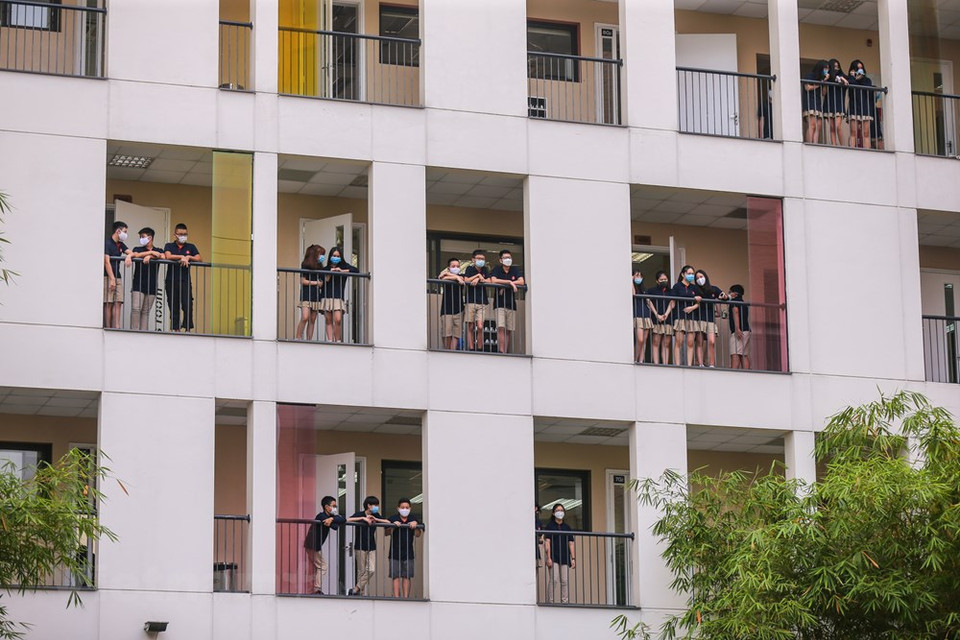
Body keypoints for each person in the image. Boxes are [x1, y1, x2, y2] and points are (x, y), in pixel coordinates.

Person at [346, 496, 392, 596]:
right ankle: (360, 592)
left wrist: (376, 519)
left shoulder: (376, 515)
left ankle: (355, 589)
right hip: (360, 546)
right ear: (369, 505)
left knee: (371, 569)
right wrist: (363, 518)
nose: (376, 507)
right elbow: (347, 520)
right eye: (375, 505)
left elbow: (388, 522)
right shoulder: (360, 514)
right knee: (361, 571)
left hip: (371, 546)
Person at [163, 223, 202, 332]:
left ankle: (188, 329)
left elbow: (199, 258)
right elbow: (168, 256)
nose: (183, 236)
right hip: (171, 280)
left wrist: (188, 257)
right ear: (175, 235)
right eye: (180, 234)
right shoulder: (169, 245)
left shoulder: (191, 247)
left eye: (185, 234)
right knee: (173, 305)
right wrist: (182, 257)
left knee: (187, 304)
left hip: (185, 280)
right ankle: (176, 329)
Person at [303, 495, 345, 595]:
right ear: (326, 507)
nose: (335, 508)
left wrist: (332, 519)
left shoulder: (329, 517)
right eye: (333, 506)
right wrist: (333, 520)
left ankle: (315, 588)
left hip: (314, 546)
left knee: (320, 566)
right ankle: (316, 589)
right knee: (322, 566)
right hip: (313, 545)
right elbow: (335, 526)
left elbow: (342, 520)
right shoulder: (321, 516)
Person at [487, 249, 525, 354]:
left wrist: (509, 284)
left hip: (511, 304)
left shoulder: (515, 269)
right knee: (500, 327)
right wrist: (509, 282)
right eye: (505, 258)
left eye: (509, 258)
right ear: (500, 260)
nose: (508, 260)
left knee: (508, 329)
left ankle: (505, 351)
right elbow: (493, 280)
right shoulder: (497, 269)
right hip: (499, 303)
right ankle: (501, 351)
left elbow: (521, 281)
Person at [319, 246, 358, 342]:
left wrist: (341, 271)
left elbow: (356, 270)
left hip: (338, 297)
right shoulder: (326, 268)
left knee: (338, 319)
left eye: (337, 256)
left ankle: (337, 340)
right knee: (328, 320)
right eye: (333, 255)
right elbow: (322, 279)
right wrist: (330, 272)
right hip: (326, 296)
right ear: (330, 256)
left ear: (341, 257)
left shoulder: (344, 266)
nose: (335, 257)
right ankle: (330, 340)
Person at [385, 498, 422, 599]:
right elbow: (386, 533)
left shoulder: (413, 518)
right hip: (394, 552)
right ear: (398, 508)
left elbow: (418, 534)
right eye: (402, 507)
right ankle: (397, 598)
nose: (405, 509)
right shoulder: (393, 518)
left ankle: (406, 598)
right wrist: (393, 526)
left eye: (407, 507)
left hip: (408, 552)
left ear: (410, 508)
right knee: (395, 576)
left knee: (407, 576)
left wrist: (416, 526)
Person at [129, 227, 164, 331]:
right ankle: (134, 331)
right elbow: (136, 255)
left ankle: (143, 332)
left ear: (150, 238)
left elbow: (162, 256)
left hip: (152, 285)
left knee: (145, 312)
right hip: (138, 284)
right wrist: (150, 253)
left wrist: (150, 256)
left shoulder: (159, 250)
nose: (141, 239)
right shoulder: (138, 248)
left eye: (143, 237)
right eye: (140, 237)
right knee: (136, 309)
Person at [542, 503, 575, 604]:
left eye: (561, 510)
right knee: (554, 580)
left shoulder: (567, 527)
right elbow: (547, 542)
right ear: (553, 513)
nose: (560, 512)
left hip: (565, 557)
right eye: (557, 510)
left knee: (564, 581)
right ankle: (550, 601)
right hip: (553, 556)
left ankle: (564, 602)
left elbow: (571, 543)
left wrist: (573, 558)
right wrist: (548, 558)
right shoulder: (550, 526)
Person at [693, 269, 726, 368]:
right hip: (699, 318)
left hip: (710, 319)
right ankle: (700, 363)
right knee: (699, 341)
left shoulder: (713, 289)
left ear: (705, 277)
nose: (700, 279)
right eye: (697, 278)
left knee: (711, 341)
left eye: (701, 277)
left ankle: (711, 364)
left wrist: (724, 296)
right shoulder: (695, 289)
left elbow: (723, 296)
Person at [671, 265, 701, 366]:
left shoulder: (694, 288)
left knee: (690, 343)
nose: (691, 275)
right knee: (679, 342)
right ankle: (678, 364)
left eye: (692, 274)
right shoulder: (677, 286)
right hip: (680, 316)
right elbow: (673, 301)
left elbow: (699, 303)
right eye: (689, 273)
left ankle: (689, 365)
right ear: (683, 274)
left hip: (692, 317)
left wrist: (692, 308)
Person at [103, 221, 131, 329]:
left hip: (118, 276)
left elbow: (131, 252)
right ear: (118, 231)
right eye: (124, 232)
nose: (125, 234)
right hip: (108, 277)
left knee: (118, 302)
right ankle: (108, 327)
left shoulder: (120, 244)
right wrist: (112, 279)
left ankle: (117, 327)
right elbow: (106, 261)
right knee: (109, 302)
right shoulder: (108, 243)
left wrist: (128, 256)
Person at [296, 244, 325, 340]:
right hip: (306, 294)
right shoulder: (305, 264)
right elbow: (302, 281)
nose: (322, 257)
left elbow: (323, 280)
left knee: (312, 319)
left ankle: (309, 340)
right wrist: (316, 283)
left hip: (316, 295)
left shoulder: (320, 266)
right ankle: (298, 337)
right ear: (314, 254)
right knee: (305, 317)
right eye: (320, 254)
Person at [462, 250, 490, 351]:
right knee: (470, 326)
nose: (481, 261)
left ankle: (479, 347)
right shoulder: (469, 268)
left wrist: (479, 279)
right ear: (473, 260)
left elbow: (489, 280)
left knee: (480, 326)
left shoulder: (485, 269)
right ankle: (471, 347)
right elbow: (466, 280)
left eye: (482, 259)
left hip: (482, 301)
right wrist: (477, 276)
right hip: (470, 301)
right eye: (478, 259)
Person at [437, 257, 465, 350]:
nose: (456, 268)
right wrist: (456, 277)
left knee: (457, 333)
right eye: (453, 266)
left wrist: (454, 276)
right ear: (448, 268)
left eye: (457, 266)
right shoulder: (454, 277)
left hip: (459, 309)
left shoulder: (462, 276)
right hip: (446, 309)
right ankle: (447, 350)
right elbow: (440, 277)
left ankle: (453, 352)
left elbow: (462, 279)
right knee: (446, 333)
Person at [647, 271, 674, 365]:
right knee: (655, 342)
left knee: (666, 344)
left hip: (668, 319)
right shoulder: (652, 290)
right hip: (656, 319)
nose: (664, 281)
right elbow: (648, 301)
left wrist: (666, 314)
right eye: (661, 279)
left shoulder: (671, 291)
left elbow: (672, 303)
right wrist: (656, 314)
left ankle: (665, 364)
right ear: (657, 281)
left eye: (665, 279)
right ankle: (656, 363)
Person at [847, 59, 875, 149]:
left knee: (866, 133)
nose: (860, 70)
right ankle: (852, 150)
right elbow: (851, 87)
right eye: (858, 68)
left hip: (865, 107)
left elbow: (868, 87)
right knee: (853, 132)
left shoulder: (867, 80)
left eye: (861, 68)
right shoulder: (850, 79)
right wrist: (854, 78)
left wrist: (860, 78)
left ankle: (867, 151)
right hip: (854, 106)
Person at [823, 59, 849, 146]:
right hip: (829, 103)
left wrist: (841, 78)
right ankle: (834, 145)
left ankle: (843, 146)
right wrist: (825, 81)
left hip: (838, 104)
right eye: (834, 66)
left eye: (838, 66)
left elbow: (848, 82)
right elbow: (823, 93)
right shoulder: (828, 77)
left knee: (838, 126)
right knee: (832, 127)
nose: (836, 68)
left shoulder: (843, 76)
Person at [803, 60, 829, 144]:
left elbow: (823, 93)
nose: (826, 70)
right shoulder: (810, 75)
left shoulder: (821, 79)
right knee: (812, 125)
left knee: (818, 126)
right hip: (809, 102)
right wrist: (820, 83)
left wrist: (824, 82)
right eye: (825, 68)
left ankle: (815, 143)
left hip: (818, 103)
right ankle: (810, 143)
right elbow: (807, 87)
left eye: (828, 69)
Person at [728, 284, 751, 370]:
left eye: (730, 292)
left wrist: (737, 328)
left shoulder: (734, 302)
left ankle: (734, 374)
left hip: (739, 331)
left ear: (735, 293)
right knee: (744, 354)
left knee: (735, 353)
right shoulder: (743, 303)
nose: (729, 294)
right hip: (746, 330)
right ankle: (747, 373)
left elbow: (736, 311)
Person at [633, 271, 652, 363]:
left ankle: (641, 360)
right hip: (638, 315)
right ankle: (635, 359)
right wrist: (631, 280)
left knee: (644, 341)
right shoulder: (633, 287)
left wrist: (656, 314)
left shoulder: (644, 289)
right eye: (637, 275)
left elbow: (649, 302)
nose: (639, 277)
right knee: (639, 340)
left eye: (640, 275)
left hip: (646, 315)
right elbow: (633, 294)